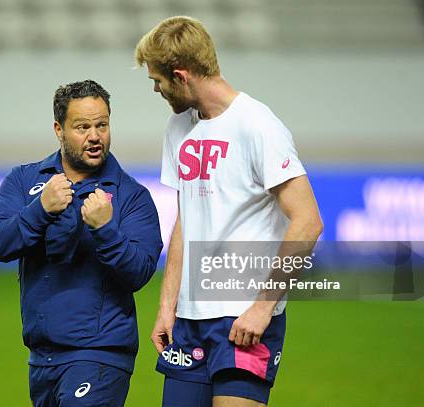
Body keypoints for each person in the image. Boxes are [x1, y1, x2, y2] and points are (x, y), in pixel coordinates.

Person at [135, 16, 323, 406]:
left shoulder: (258, 126)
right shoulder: (178, 128)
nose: (155, 89)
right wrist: (167, 307)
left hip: (244, 319)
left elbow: (308, 222)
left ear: (181, 75)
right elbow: (186, 219)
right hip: (188, 322)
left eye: (158, 80)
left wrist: (262, 308)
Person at [0, 80, 163, 406]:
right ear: (59, 129)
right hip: (41, 358)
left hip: (100, 356)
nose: (95, 136)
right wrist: (40, 210)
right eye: (82, 127)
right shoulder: (25, 180)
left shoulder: (132, 196)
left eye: (102, 125)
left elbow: (140, 272)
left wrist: (106, 229)